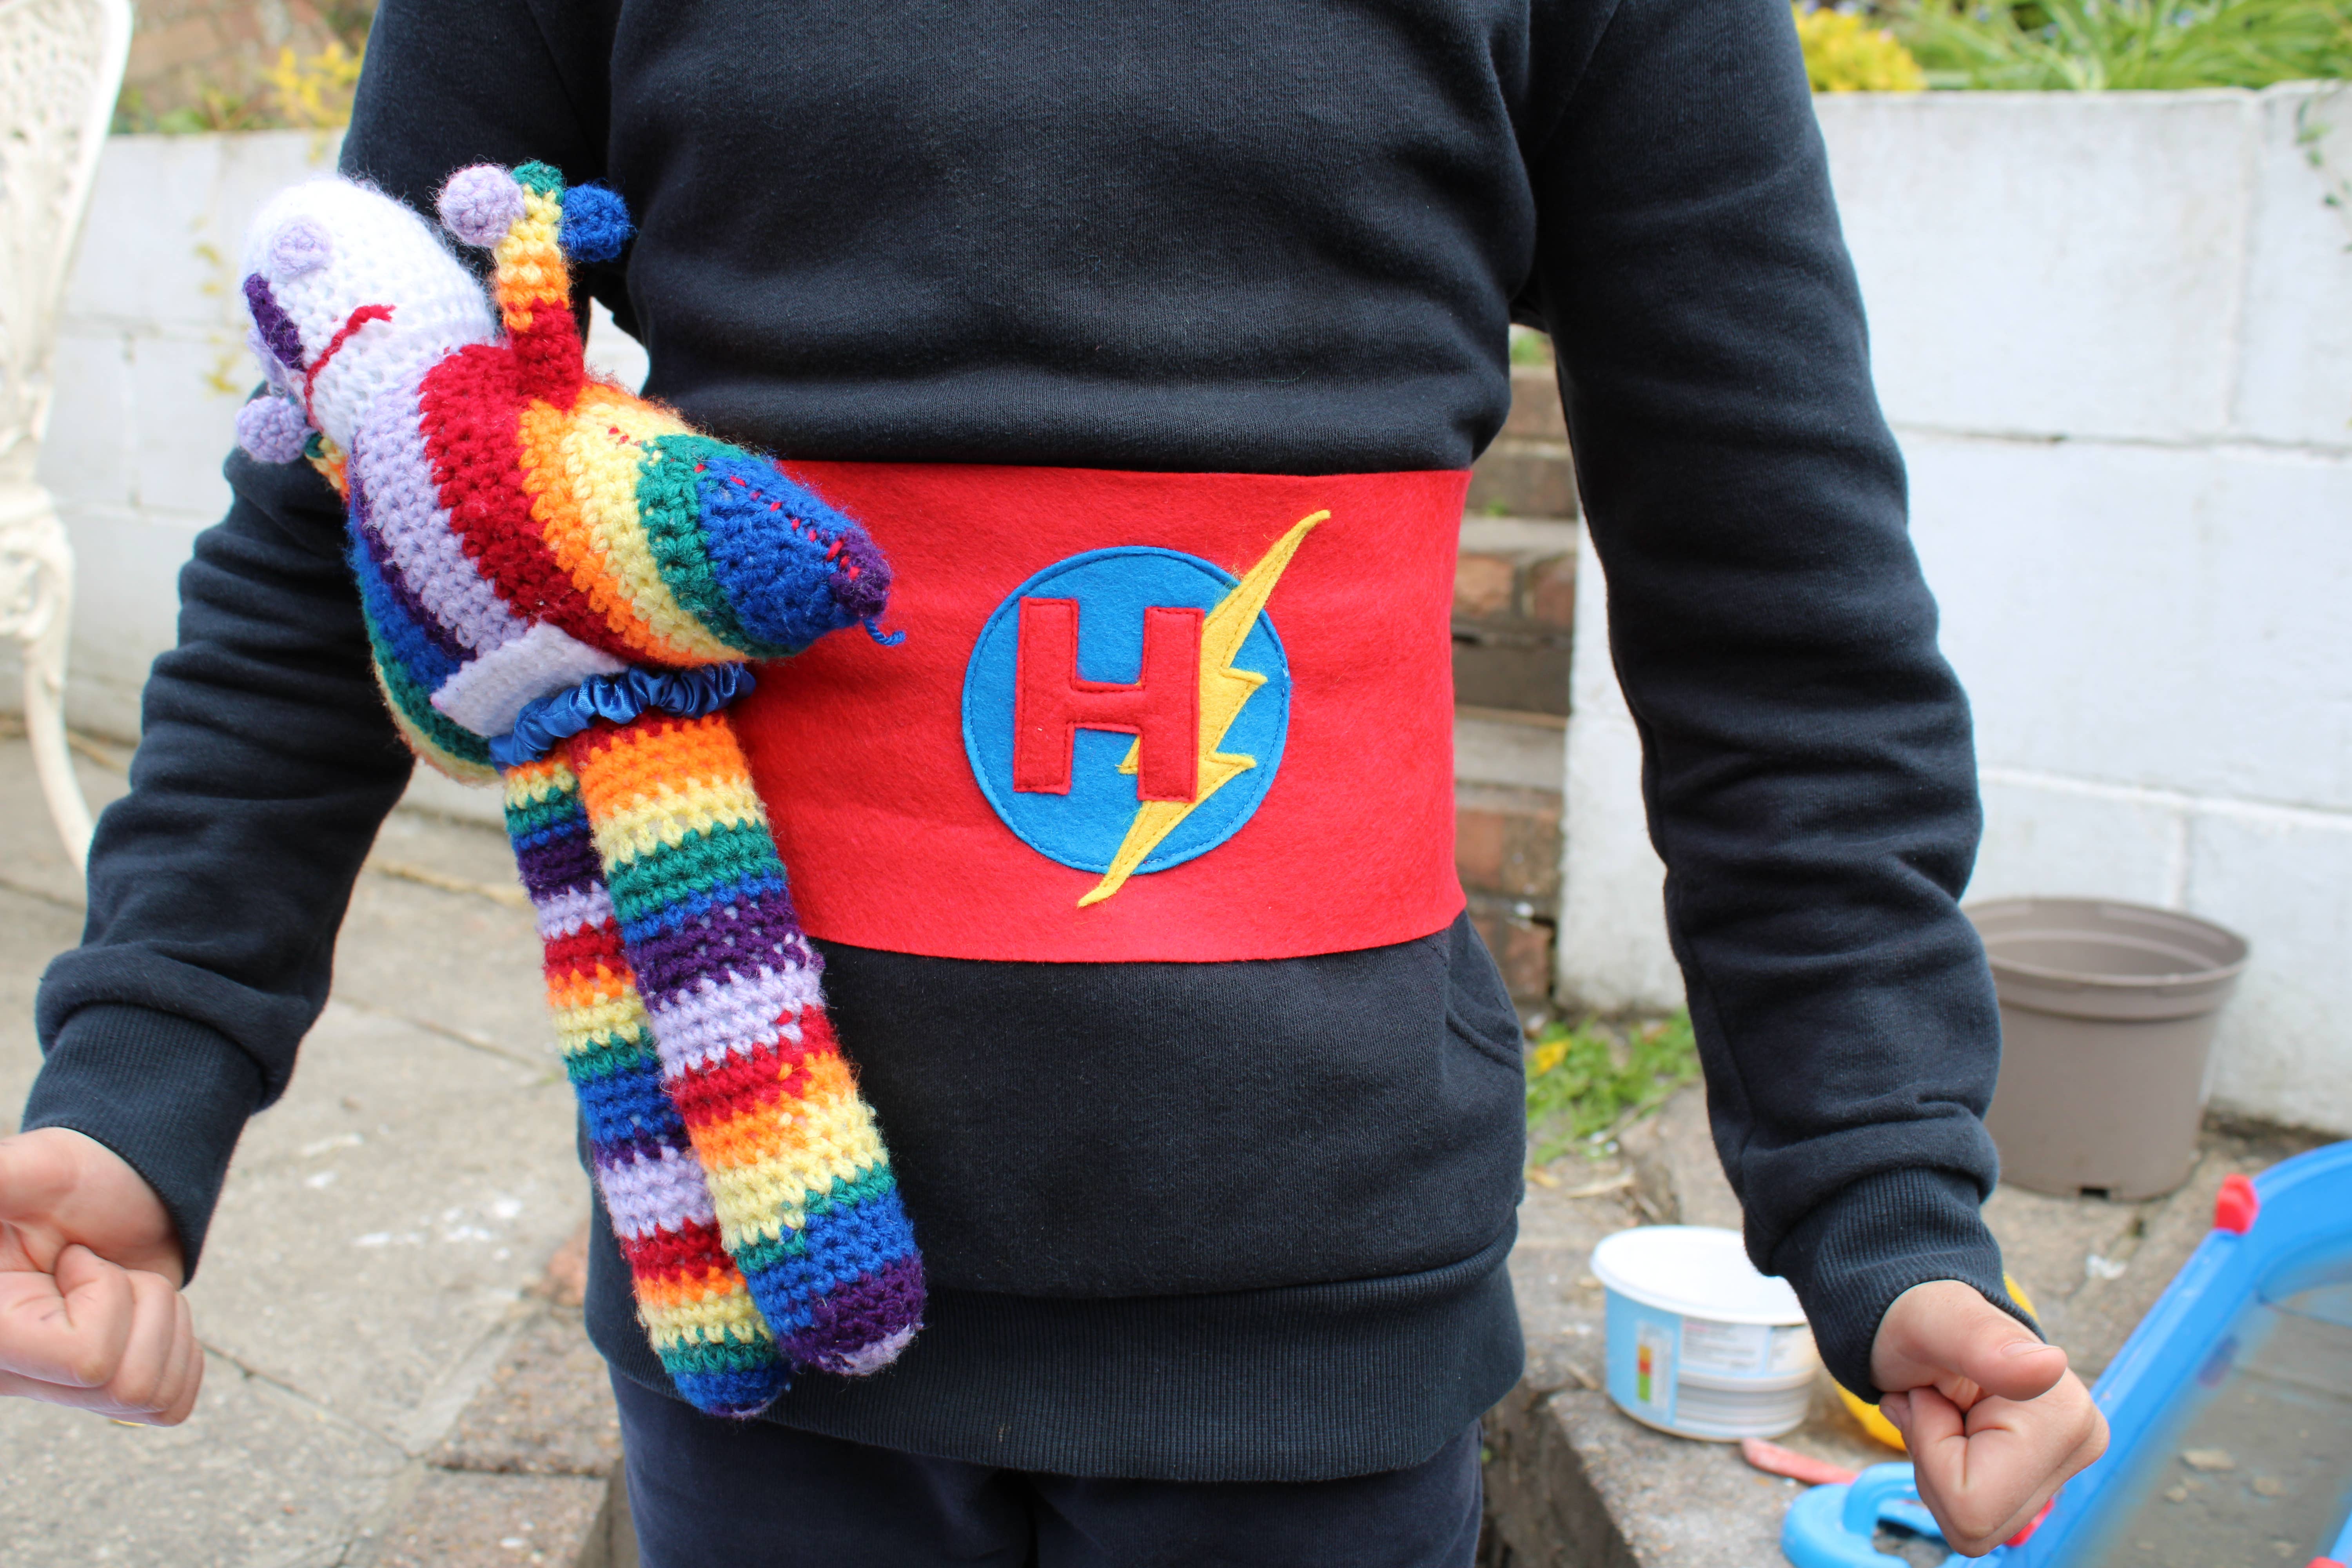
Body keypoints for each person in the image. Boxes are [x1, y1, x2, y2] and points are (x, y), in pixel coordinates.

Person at [0, 0, 2106, 1562]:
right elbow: (367, 476)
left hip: (1324, 1333)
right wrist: (141, 1076)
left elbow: (1774, 580)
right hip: (757, 1252)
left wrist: (1881, 1193)